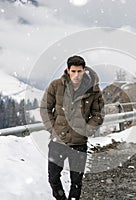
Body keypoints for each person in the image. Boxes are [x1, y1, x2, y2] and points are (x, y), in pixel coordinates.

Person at [40, 55, 104, 200]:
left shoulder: (93, 90)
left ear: (84, 70)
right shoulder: (56, 86)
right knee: (53, 179)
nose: (76, 75)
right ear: (68, 70)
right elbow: (45, 108)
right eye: (73, 71)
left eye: (79, 71)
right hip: (58, 142)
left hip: (79, 144)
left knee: (76, 182)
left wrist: (87, 130)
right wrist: (53, 129)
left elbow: (98, 114)